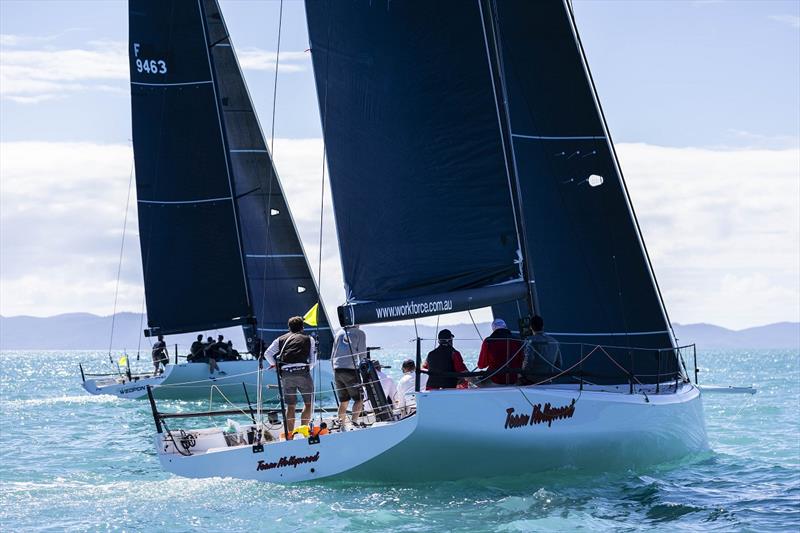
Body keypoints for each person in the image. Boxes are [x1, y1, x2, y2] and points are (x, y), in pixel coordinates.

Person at [263, 316, 316, 437]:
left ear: (289, 327)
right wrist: (306, 369)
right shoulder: (309, 339)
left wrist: (275, 366)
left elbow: (267, 353)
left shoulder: (280, 339)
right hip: (302, 372)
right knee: (308, 404)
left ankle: (290, 435)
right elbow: (313, 361)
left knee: (290, 406)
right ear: (302, 327)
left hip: (286, 374)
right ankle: (304, 433)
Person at [331, 325, 366, 428]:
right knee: (359, 398)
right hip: (351, 370)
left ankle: (341, 424)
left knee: (344, 400)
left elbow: (333, 354)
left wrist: (334, 370)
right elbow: (362, 354)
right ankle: (354, 422)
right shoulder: (360, 333)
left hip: (337, 370)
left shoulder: (339, 333)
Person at [477, 318, 524, 386]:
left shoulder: (488, 341)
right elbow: (521, 362)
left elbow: (481, 365)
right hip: (513, 380)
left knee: (475, 382)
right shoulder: (517, 340)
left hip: (495, 380)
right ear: (505, 327)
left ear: (493, 329)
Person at [520, 315, 562, 383]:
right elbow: (559, 364)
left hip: (532, 380)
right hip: (548, 380)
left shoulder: (529, 341)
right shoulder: (554, 342)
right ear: (543, 326)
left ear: (531, 327)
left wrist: (523, 373)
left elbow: (529, 360)